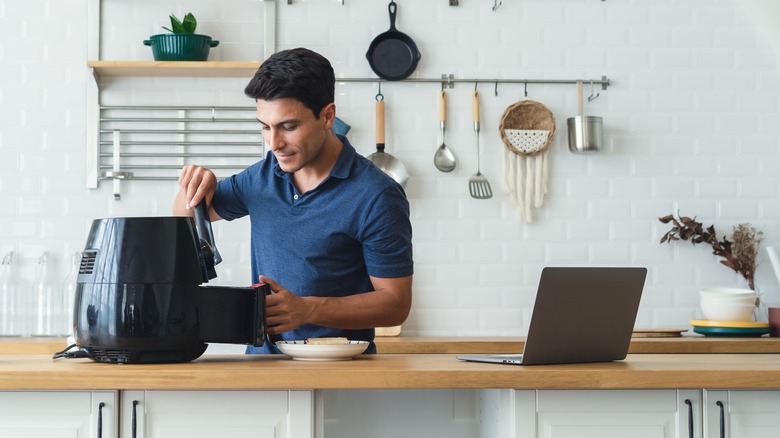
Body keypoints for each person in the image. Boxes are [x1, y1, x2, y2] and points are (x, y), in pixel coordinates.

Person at [173, 48, 414, 354]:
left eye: (288, 127)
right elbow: (183, 217)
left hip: (340, 376)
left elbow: (395, 303)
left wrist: (308, 310)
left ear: (327, 116)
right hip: (263, 375)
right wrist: (195, 184)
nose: (274, 143)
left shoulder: (376, 195)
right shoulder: (262, 177)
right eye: (265, 127)